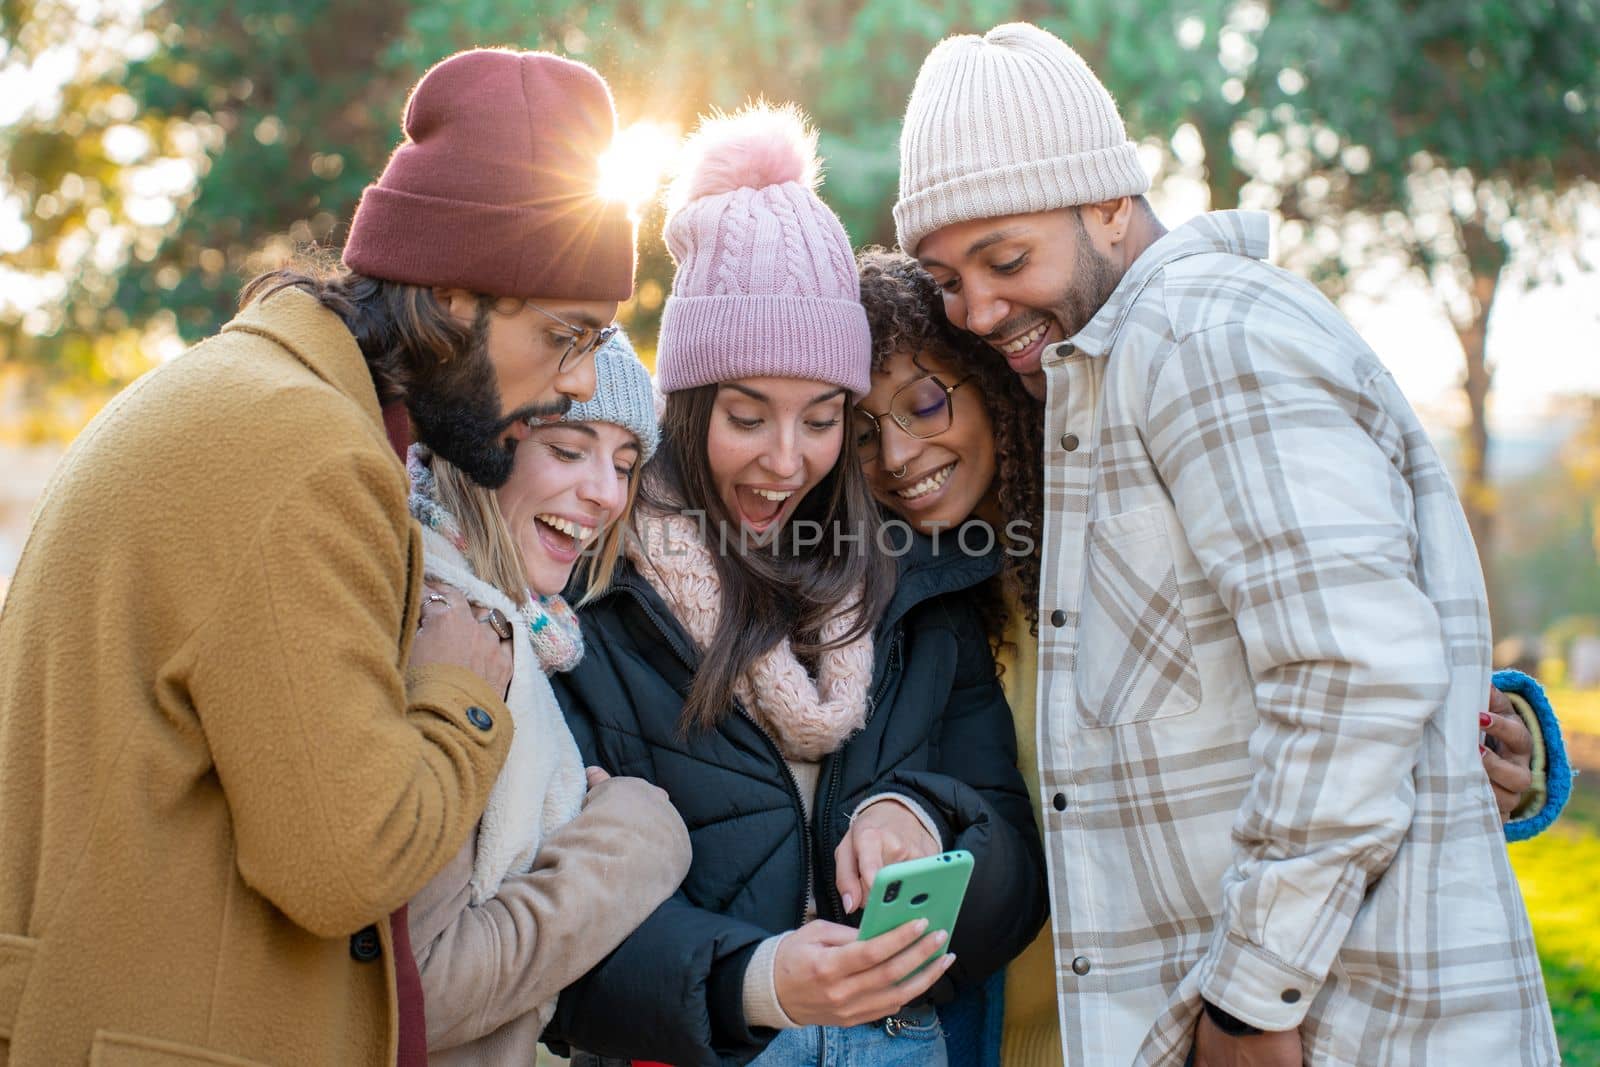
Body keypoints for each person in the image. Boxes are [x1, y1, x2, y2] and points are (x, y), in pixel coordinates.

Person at [893, 21, 1559, 1066]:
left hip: (1345, 1028)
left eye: (1005, 257)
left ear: (1109, 203)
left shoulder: (1206, 337)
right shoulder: (1108, 379)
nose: (975, 307)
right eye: (943, 276)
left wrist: (1251, 1000)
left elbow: (1350, 671)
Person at [0, 47, 634, 1064]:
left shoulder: (256, 397)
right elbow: (345, 862)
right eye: (568, 335)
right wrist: (465, 694)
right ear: (459, 294)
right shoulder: (309, 458)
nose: (580, 379)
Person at [543, 102, 1048, 1067]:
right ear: (688, 405)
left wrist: (927, 818)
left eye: (823, 418)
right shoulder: (596, 601)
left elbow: (1018, 871)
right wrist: (755, 980)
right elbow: (545, 932)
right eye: (746, 415)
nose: (786, 460)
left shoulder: (915, 590)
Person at [405, 332, 692, 1065]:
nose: (607, 492)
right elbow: (418, 990)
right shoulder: (446, 623)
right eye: (568, 450)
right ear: (479, 446)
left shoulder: (520, 622)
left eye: (626, 464)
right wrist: (634, 839)